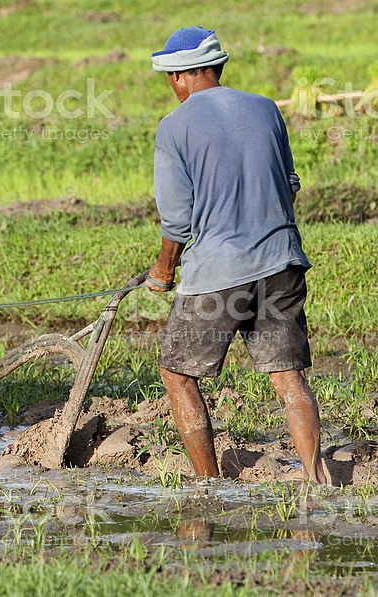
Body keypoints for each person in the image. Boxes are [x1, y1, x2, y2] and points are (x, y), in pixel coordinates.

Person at [145, 26, 329, 484]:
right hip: (283, 261)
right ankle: (314, 479)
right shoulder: (266, 108)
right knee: (289, 379)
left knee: (178, 374)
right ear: (218, 67)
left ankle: (208, 485)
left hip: (218, 275)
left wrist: (163, 270)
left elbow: (177, 222)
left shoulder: (174, 126)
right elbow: (289, 185)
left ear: (179, 77)